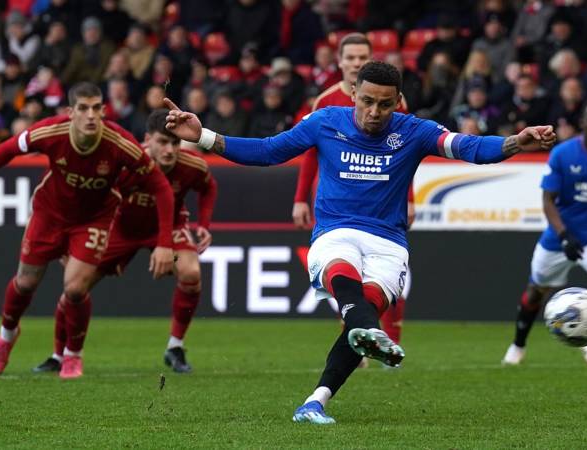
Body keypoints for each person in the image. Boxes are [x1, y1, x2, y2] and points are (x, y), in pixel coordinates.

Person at [163, 61, 555, 424]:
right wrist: (204, 137)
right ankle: (370, 332)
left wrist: (516, 142)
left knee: (361, 318)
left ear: (396, 103)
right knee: (346, 276)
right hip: (336, 232)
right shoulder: (324, 122)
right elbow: (268, 151)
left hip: (389, 243)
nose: (374, 112)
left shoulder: (414, 131)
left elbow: (469, 148)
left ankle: (315, 401)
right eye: (367, 101)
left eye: (384, 105)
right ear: (353, 93)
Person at [0, 82, 175, 379]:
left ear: (103, 111)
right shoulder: (50, 132)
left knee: (75, 288)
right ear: (70, 112)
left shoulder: (120, 143)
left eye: (96, 108)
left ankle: (72, 355)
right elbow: (7, 149)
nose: (91, 115)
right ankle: (6, 337)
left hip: (93, 219)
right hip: (49, 214)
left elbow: (161, 188)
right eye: (83, 108)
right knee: (25, 283)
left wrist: (165, 242)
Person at [33, 109, 218, 374]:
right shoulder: (126, 161)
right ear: (147, 140)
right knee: (74, 288)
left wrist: (205, 224)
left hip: (167, 232)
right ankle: (58, 354)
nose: (169, 150)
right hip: (117, 230)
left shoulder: (192, 166)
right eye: (162, 142)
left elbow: (209, 187)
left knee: (190, 272)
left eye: (175, 143)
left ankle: (175, 346)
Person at [291, 33, 410, 359]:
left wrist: (408, 198)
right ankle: (359, 337)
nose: (356, 62)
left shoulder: (390, 100)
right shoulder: (326, 102)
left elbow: (406, 155)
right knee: (344, 274)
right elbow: (310, 152)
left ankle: (389, 334)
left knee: (387, 272)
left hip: (382, 204)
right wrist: (301, 197)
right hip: (336, 204)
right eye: (351, 58)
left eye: (362, 57)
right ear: (340, 62)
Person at [501, 96, 587, 369]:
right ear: (582, 123)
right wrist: (564, 234)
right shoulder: (563, 154)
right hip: (558, 238)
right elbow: (548, 200)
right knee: (534, 293)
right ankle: (518, 344)